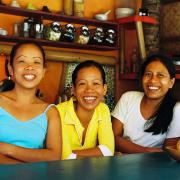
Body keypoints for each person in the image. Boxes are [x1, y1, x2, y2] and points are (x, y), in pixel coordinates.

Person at [0, 42, 62, 164]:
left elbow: (54, 156)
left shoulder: (50, 112)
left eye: (36, 62)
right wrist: (28, 163)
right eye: (22, 61)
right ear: (11, 68)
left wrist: (7, 149)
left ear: (44, 71)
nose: (29, 67)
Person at [112, 53, 180, 154]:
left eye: (160, 75)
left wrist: (127, 147)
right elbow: (113, 137)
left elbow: (168, 152)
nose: (153, 80)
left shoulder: (176, 109)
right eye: (148, 74)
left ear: (171, 82)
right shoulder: (128, 98)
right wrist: (147, 151)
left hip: (154, 166)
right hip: (123, 162)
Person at [56, 60, 114, 160]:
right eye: (82, 83)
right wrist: (97, 153)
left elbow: (108, 150)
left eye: (95, 83)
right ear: (73, 89)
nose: (89, 90)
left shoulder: (103, 109)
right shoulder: (57, 113)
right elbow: (63, 156)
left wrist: (71, 153)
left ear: (104, 89)